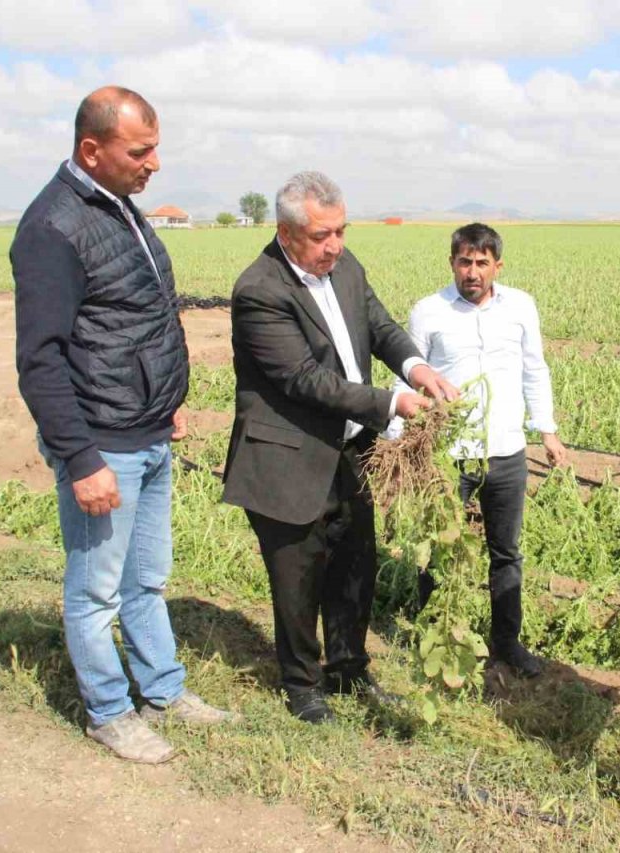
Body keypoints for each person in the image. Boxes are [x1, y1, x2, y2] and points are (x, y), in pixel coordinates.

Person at [12, 86, 233, 764]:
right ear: (92, 150)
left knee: (146, 578)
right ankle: (110, 711)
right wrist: (81, 458)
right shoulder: (53, 228)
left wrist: (166, 397)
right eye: (141, 150)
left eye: (155, 147)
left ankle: (163, 689)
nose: (155, 163)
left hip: (148, 432)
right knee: (95, 590)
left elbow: (136, 317)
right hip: (103, 441)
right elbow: (40, 361)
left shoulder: (118, 207)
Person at [221, 171, 458, 724]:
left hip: (352, 454)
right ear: (285, 231)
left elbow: (378, 325)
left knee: (355, 567)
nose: (335, 246)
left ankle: (350, 670)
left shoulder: (345, 268)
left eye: (341, 232)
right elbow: (305, 380)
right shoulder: (260, 290)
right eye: (321, 235)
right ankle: (303, 686)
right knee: (298, 578)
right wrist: (390, 403)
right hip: (289, 459)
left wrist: (415, 366)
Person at [390, 222, 567, 677]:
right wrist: (394, 443)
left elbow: (535, 369)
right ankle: (438, 637)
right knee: (438, 548)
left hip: (506, 451)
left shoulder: (521, 307)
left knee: (505, 551)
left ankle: (506, 641)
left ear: (497, 266)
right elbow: (406, 375)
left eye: (482, 263)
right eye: (464, 262)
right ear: (452, 262)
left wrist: (545, 429)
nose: (472, 271)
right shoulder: (428, 311)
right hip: (450, 455)